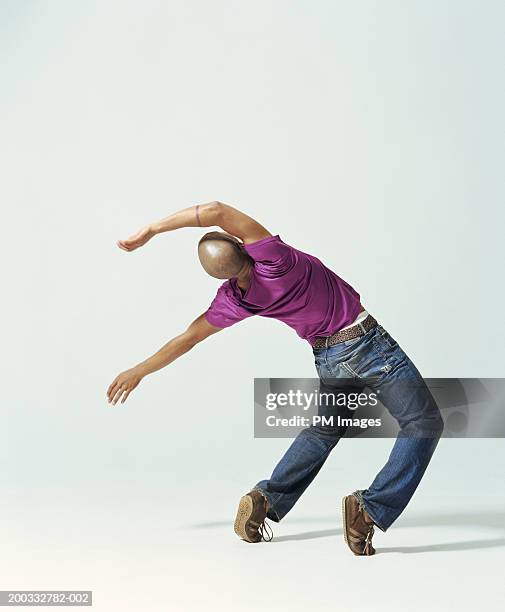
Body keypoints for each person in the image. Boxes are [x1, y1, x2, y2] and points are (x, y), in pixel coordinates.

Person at [107, 201, 444, 556]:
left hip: (328, 358)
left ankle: (264, 501)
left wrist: (139, 371)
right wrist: (153, 229)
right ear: (241, 244)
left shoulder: (237, 299)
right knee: (423, 421)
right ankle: (369, 510)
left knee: (325, 430)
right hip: (365, 345)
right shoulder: (274, 258)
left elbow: (187, 339)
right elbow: (215, 209)